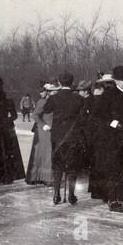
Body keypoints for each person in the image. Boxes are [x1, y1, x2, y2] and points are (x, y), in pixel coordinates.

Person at [99, 66, 123, 213]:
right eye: (121, 80)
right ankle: (113, 200)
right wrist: (115, 124)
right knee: (113, 169)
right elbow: (99, 115)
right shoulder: (107, 95)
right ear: (115, 80)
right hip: (111, 139)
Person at [45, 73, 86, 205]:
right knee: (72, 167)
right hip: (73, 137)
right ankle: (71, 195)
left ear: (60, 83)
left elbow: (46, 110)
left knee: (57, 166)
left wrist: (51, 97)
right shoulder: (79, 98)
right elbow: (83, 116)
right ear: (71, 82)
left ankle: (56, 194)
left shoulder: (54, 97)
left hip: (57, 137)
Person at [0, 76, 26, 183]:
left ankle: (9, 175)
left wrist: (7, 120)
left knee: (8, 152)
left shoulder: (8, 100)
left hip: (5, 129)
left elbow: (14, 115)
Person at [26, 82, 55, 186]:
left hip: (51, 130)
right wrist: (43, 125)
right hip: (45, 131)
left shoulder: (54, 101)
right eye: (51, 91)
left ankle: (44, 177)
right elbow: (35, 115)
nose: (53, 93)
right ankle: (45, 177)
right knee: (46, 153)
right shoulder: (43, 102)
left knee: (48, 153)